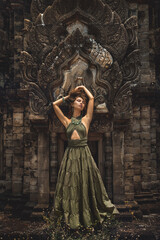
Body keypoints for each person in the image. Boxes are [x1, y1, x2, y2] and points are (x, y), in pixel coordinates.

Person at [52, 85, 118, 230]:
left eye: (82, 102)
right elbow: (54, 105)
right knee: (71, 186)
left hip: (83, 154)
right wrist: (68, 97)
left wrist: (83, 87)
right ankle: (72, 220)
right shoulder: (67, 121)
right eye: (79, 101)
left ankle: (88, 217)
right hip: (70, 155)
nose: (81, 103)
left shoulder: (86, 120)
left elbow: (92, 98)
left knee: (86, 183)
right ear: (73, 103)